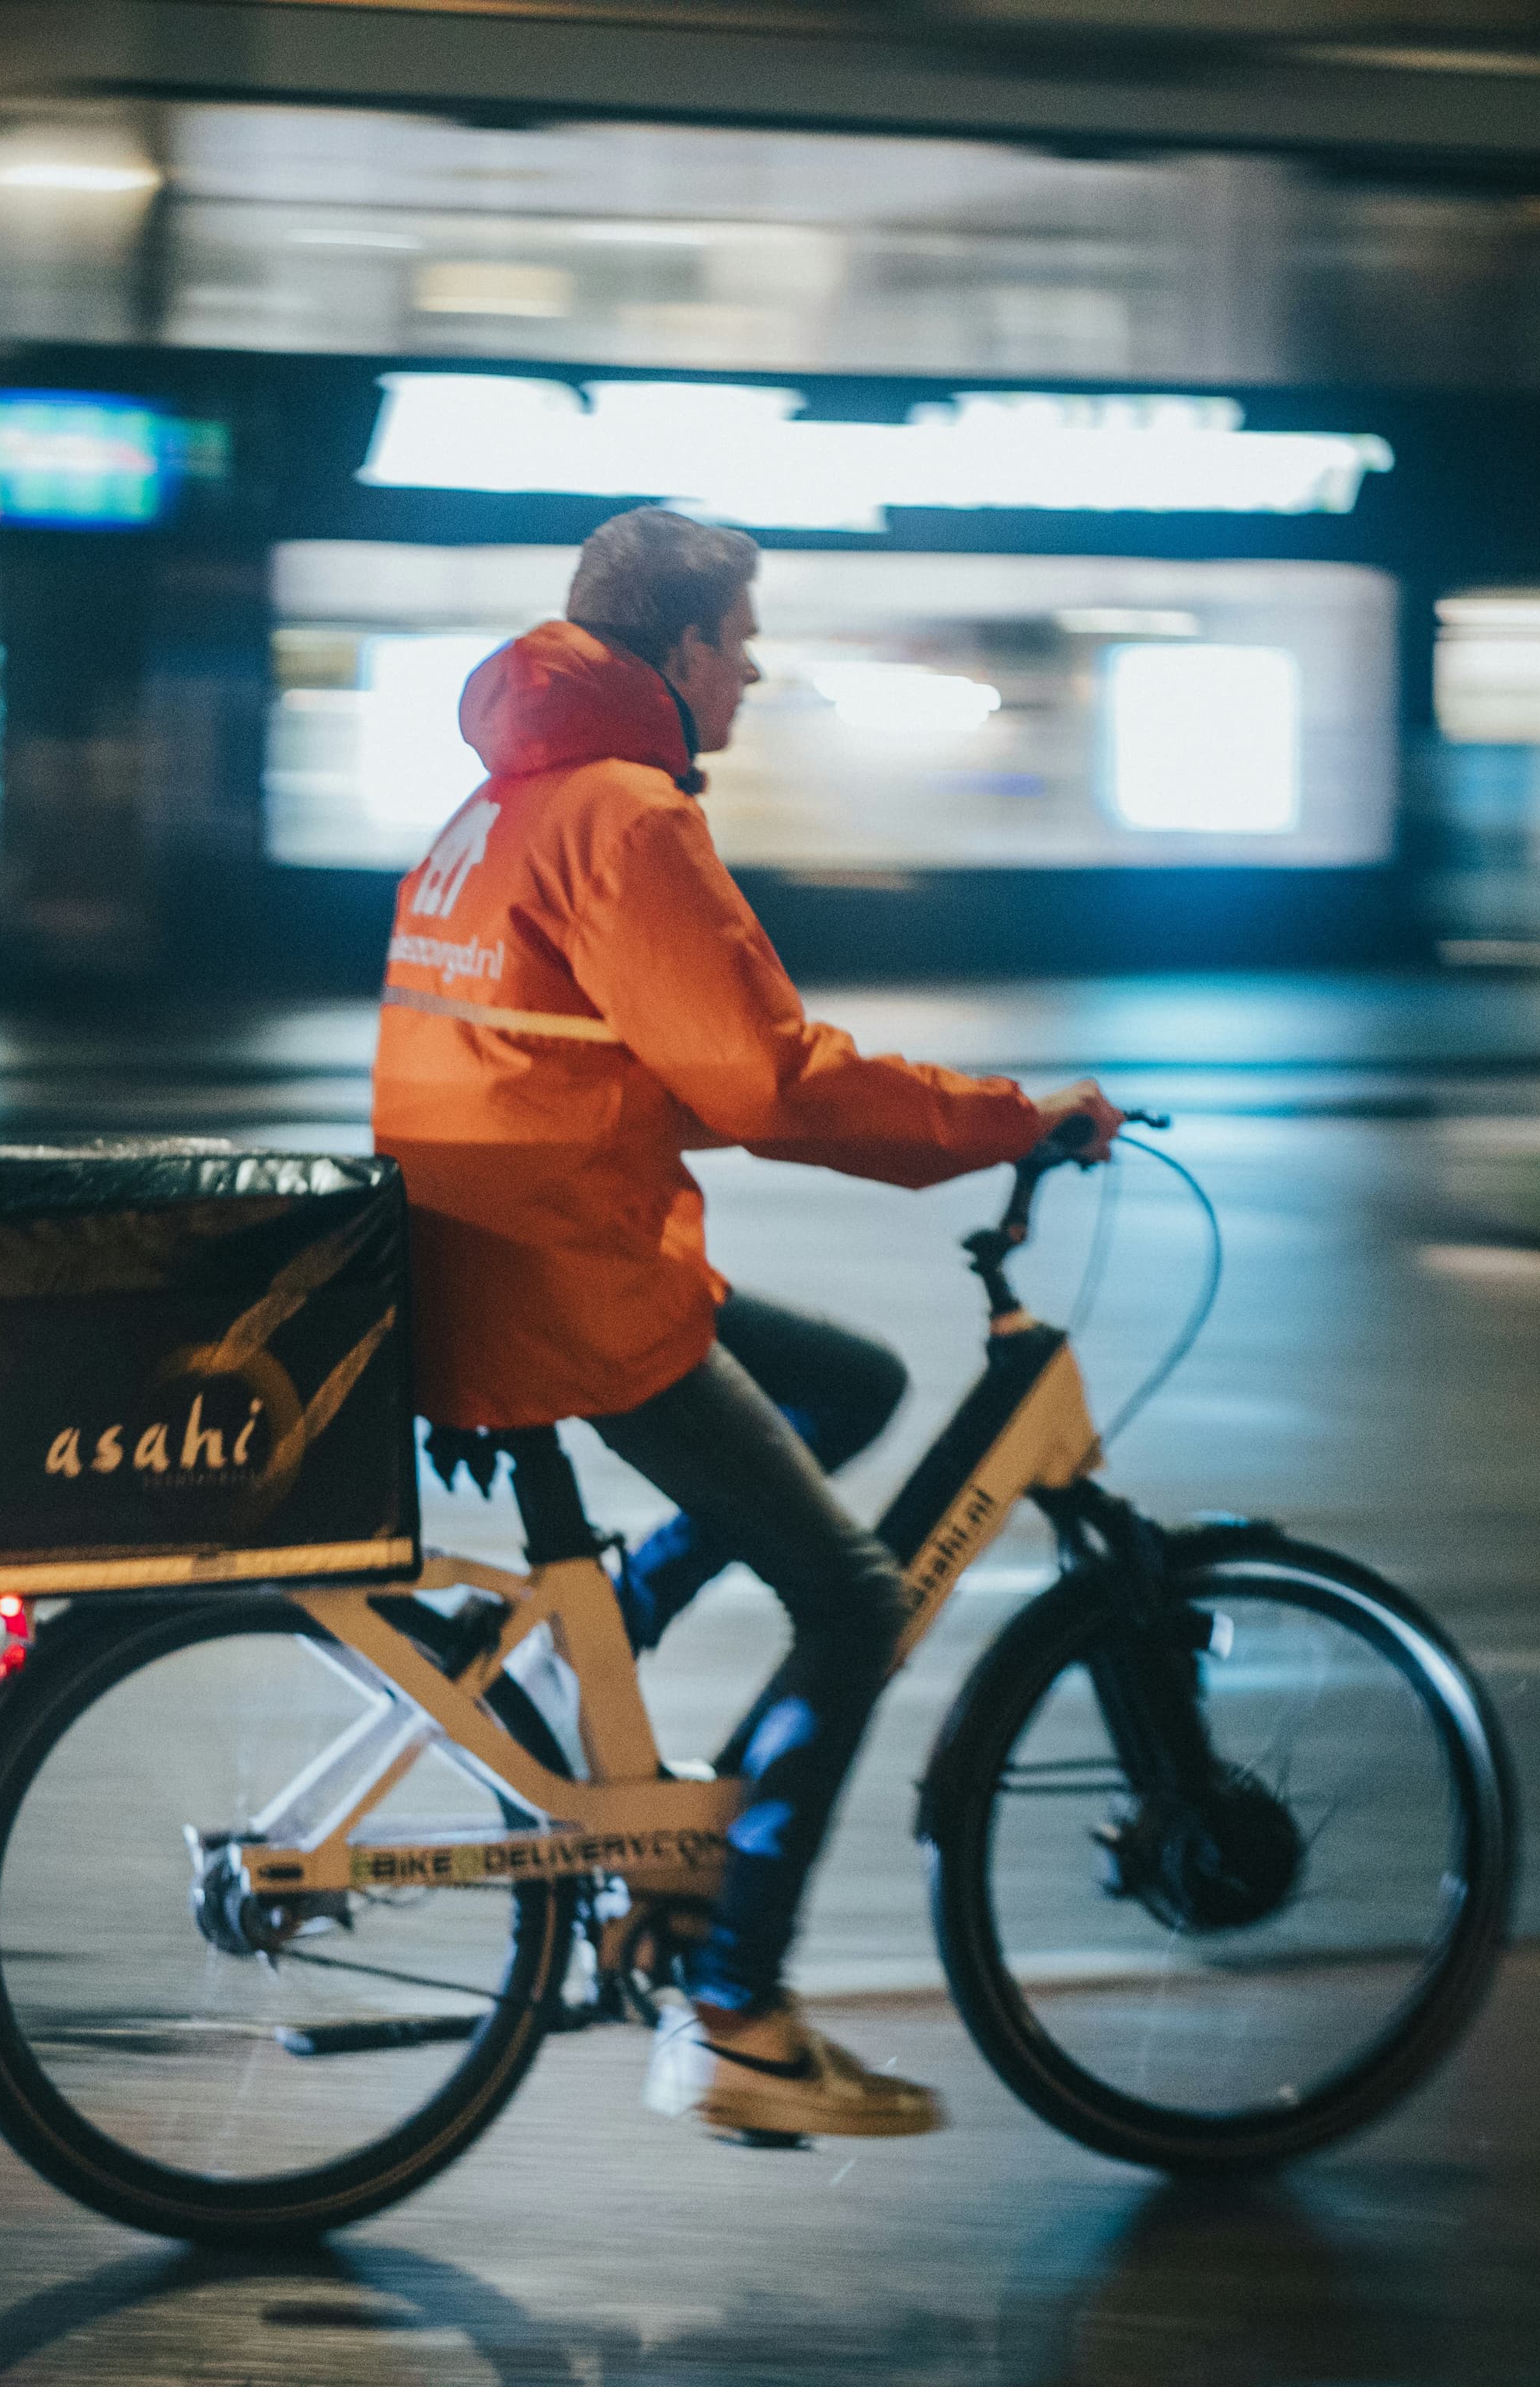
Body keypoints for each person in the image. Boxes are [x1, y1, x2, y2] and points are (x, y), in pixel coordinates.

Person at [371, 506, 1123, 2143]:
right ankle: (739, 2017)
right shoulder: (629, 815)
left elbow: (624, 1056)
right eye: (743, 637)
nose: (760, 667)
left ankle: (620, 1612)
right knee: (854, 1608)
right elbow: (766, 1081)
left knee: (851, 1387)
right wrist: (1006, 1122)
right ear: (680, 648)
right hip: (563, 1279)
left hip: (490, 1250)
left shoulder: (502, 804)